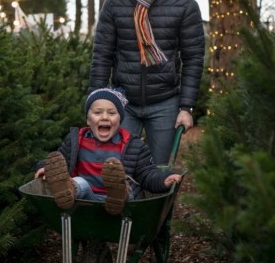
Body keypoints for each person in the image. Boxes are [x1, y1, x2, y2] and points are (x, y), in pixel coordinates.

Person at [88, 0, 205, 165]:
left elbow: (193, 58)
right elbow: (102, 54)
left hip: (165, 104)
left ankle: (158, 205)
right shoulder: (117, 0)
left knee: (160, 173)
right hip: (123, 103)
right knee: (118, 172)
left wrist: (186, 107)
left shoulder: (184, 3)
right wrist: (96, 105)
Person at [34, 88, 182, 215]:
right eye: (98, 113)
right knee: (78, 182)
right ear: (88, 119)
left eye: (111, 113)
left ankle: (117, 193)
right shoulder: (76, 141)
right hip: (85, 200)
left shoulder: (134, 146)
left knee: (125, 188)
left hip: (123, 204)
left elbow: (147, 174)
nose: (105, 117)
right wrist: (45, 167)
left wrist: (164, 180)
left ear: (120, 119)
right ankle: (67, 191)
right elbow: (60, 164)